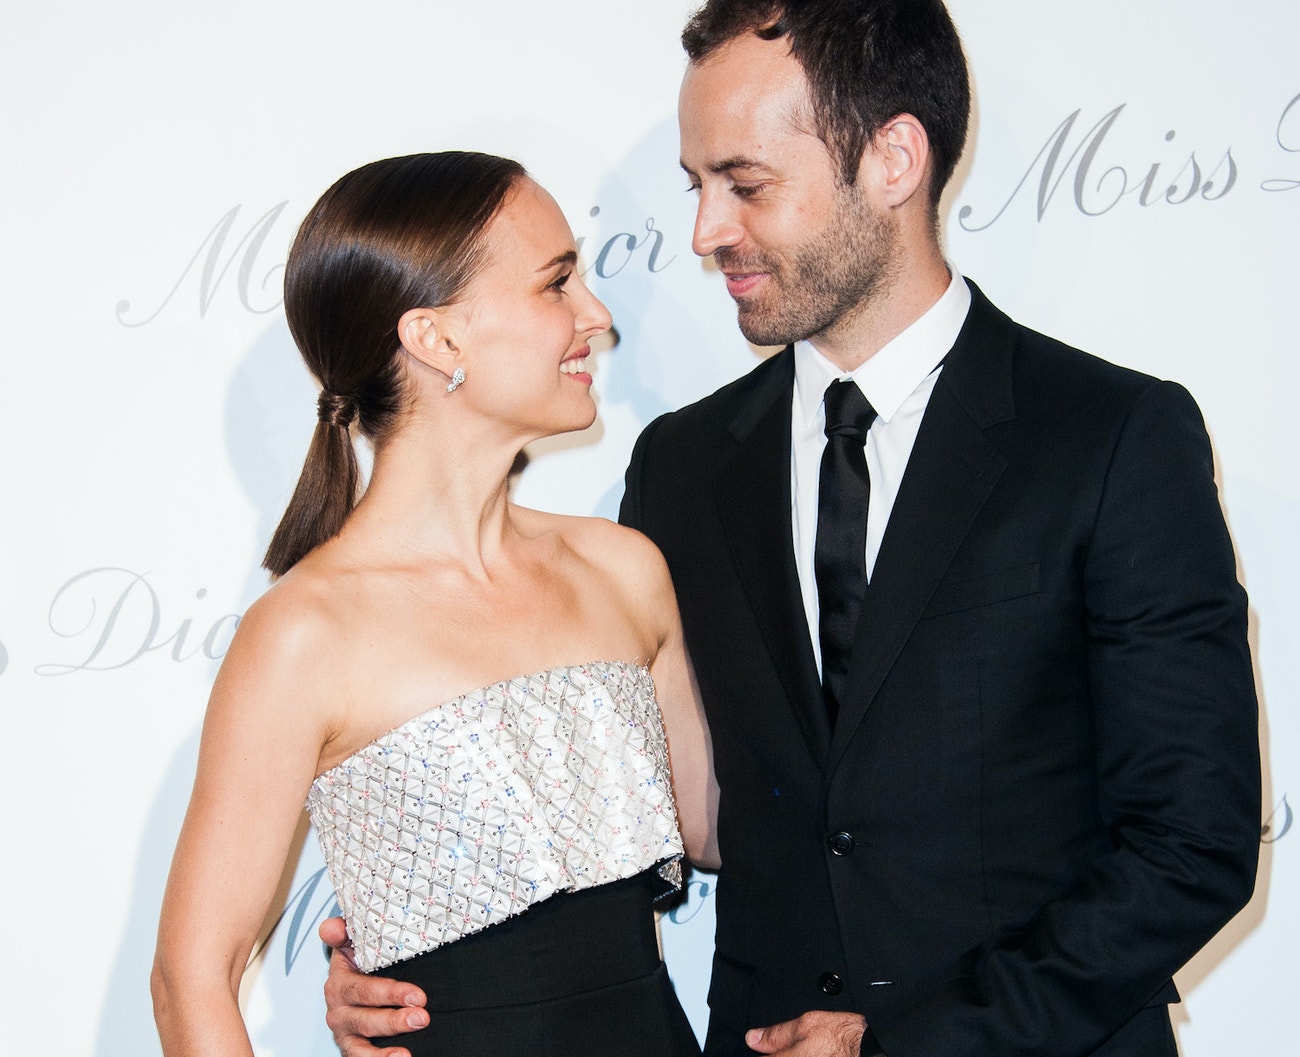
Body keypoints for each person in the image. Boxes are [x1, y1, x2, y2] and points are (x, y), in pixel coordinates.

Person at [320, 3, 1262, 1056]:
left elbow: (1192, 844)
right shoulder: (680, 469)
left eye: (746, 184)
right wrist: (421, 964)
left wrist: (912, 1044)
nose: (705, 232)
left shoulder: (1110, 437)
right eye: (697, 186)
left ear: (893, 158)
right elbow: (647, 818)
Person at [151, 151, 718, 1057]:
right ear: (438, 340)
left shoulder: (624, 569)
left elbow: (720, 827)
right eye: (557, 284)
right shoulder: (305, 632)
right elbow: (191, 979)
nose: (597, 318)